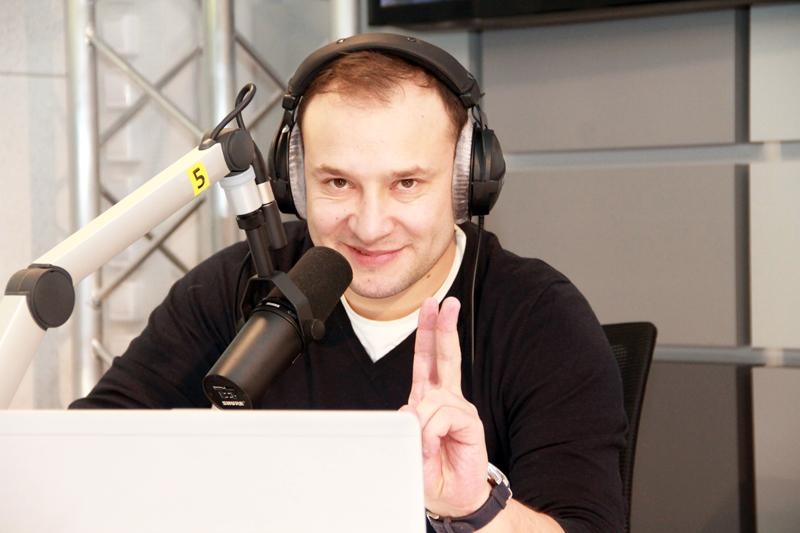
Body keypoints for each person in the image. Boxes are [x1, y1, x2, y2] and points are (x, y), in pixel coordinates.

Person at [72, 33, 626, 532]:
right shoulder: (237, 286)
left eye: (406, 183)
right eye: (338, 182)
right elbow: (85, 459)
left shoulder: (538, 318)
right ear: (294, 182)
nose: (370, 225)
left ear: (465, 184)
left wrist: (477, 510)